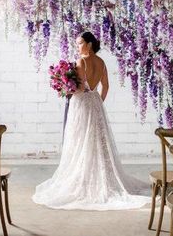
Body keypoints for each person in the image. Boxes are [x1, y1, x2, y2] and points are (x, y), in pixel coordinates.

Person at [32, 31, 150, 210]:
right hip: (95, 104)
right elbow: (106, 86)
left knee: (80, 139)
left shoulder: (81, 62)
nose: (77, 47)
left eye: (80, 43)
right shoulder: (101, 62)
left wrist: (64, 86)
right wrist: (97, 102)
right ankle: (100, 177)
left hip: (81, 105)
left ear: (89, 44)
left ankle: (85, 180)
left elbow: (79, 89)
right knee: (96, 141)